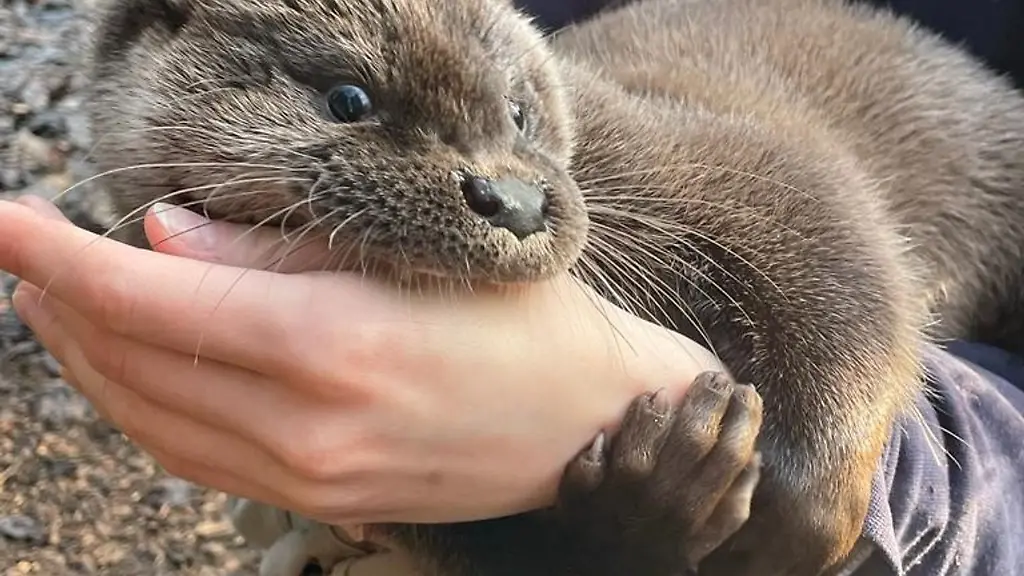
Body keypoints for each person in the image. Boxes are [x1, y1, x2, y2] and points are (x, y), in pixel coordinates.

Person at [0, 1, 1022, 575]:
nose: (509, 195)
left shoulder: (611, 147)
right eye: (351, 104)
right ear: (156, 42)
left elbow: (804, 214)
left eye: (522, 133)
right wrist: (614, 535)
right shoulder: (173, 209)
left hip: (968, 192)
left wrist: (843, 478)